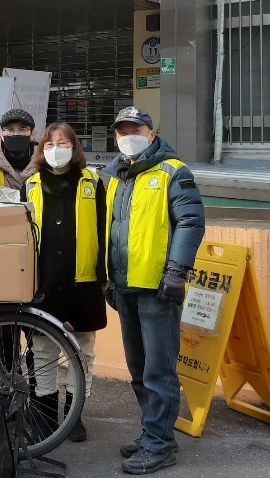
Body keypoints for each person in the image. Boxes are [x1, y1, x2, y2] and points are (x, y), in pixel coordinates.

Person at [103, 106, 205, 475]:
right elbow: (110, 229)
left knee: (158, 369)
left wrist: (177, 272)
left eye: (135, 128)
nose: (127, 135)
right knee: (138, 367)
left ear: (151, 131)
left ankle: (160, 444)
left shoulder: (173, 172)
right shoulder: (114, 175)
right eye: (121, 131)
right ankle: (153, 432)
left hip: (158, 286)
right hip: (125, 283)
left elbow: (191, 222)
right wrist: (107, 278)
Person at [21, 122, 107, 444]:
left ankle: (74, 415)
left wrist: (103, 275)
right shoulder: (29, 185)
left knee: (82, 349)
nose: (56, 148)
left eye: (63, 142)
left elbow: (104, 229)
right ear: (41, 149)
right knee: (42, 348)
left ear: (75, 147)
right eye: (49, 143)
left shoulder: (93, 182)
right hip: (43, 280)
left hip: (84, 279)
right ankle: (44, 415)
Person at [0, 108, 38, 194]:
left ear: (32, 135)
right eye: (10, 130)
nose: (16, 134)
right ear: (2, 135)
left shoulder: (44, 166)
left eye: (22, 129)